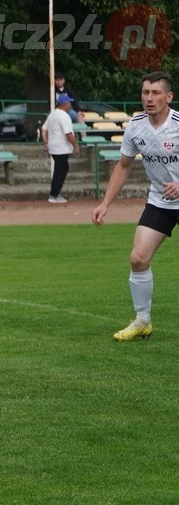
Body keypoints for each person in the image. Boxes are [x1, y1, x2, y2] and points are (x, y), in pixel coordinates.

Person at [91, 71, 179, 341]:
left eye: (155, 93)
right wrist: (105, 203)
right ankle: (142, 321)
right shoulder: (136, 125)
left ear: (169, 97)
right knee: (138, 258)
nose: (149, 98)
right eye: (145, 93)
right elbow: (124, 166)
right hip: (160, 202)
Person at [42, 94, 81, 204]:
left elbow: (44, 129)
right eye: (68, 103)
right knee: (61, 170)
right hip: (61, 148)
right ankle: (54, 194)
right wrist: (75, 146)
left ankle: (55, 193)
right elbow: (68, 133)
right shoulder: (64, 116)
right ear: (65, 104)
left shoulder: (52, 115)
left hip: (53, 147)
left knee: (60, 169)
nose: (70, 105)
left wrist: (46, 143)